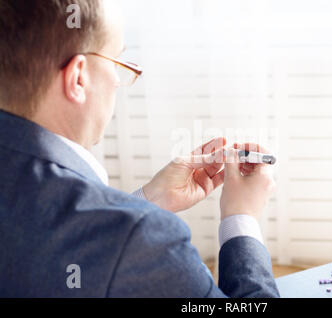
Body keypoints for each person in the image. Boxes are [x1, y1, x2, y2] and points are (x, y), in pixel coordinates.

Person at [0, 0, 279, 297]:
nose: (120, 82)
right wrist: (241, 217)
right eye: (118, 63)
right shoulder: (144, 242)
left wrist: (146, 201)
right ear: (78, 78)